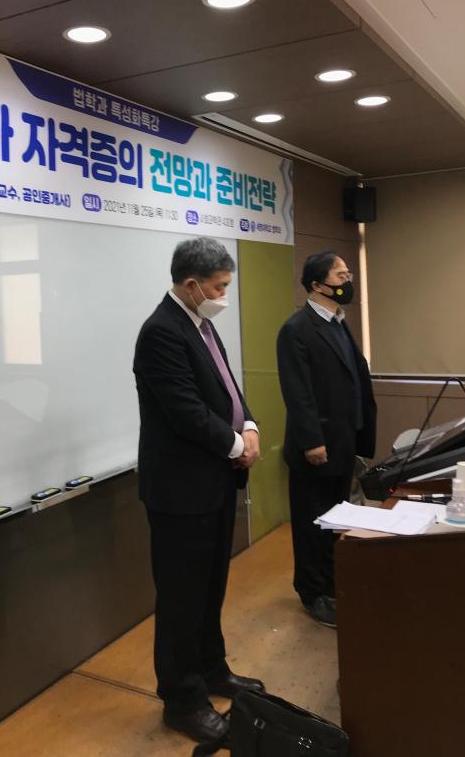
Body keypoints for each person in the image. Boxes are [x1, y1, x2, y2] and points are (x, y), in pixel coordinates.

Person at [133, 237, 264, 747]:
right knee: (182, 598)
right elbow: (185, 411)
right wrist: (236, 445)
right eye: (219, 287)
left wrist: (248, 424)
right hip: (180, 491)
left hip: (214, 481)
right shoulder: (161, 332)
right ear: (192, 285)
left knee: (210, 588)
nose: (223, 295)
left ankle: (213, 670)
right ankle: (183, 699)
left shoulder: (200, 324)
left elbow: (226, 388)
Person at [276, 251, 376, 628]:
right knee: (312, 522)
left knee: (336, 519)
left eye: (349, 273)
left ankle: (333, 584)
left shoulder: (337, 322)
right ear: (317, 285)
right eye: (341, 275)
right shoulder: (296, 329)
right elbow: (297, 391)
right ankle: (312, 592)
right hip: (316, 446)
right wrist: (311, 441)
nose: (348, 280)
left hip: (343, 440)